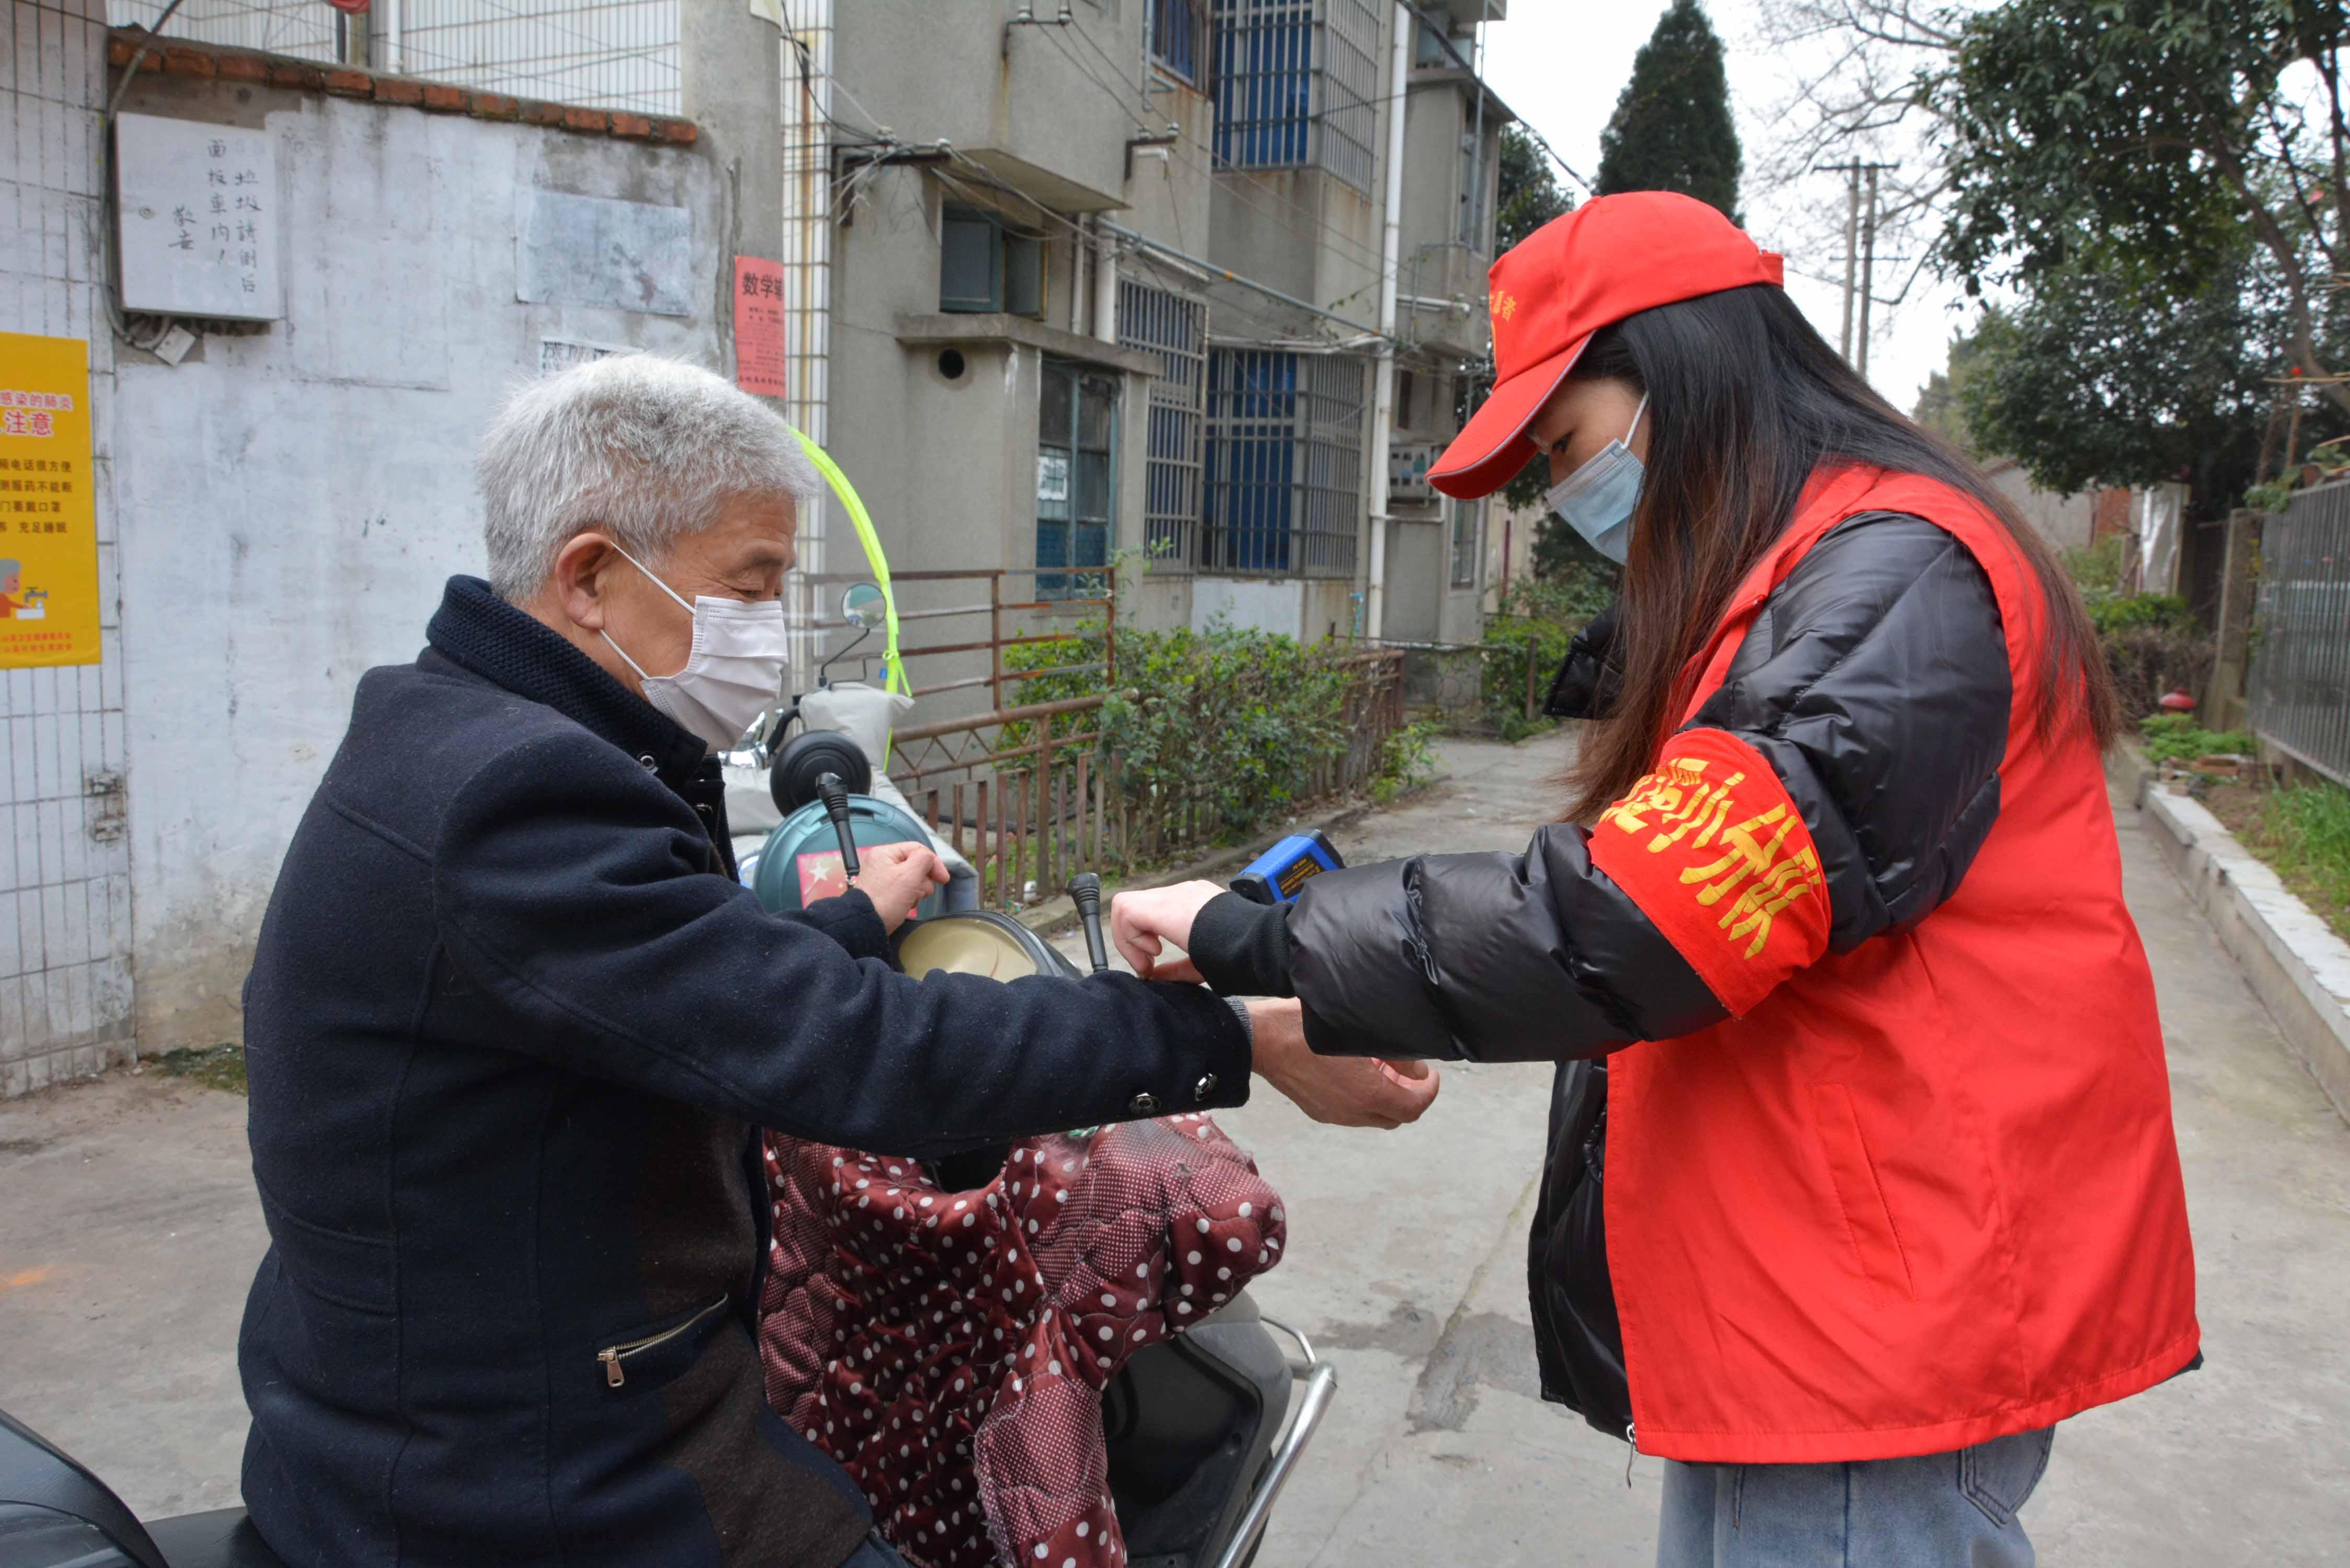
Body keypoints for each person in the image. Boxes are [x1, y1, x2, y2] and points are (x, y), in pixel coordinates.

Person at [1111, 192, 2198, 1568]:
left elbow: (1633, 918)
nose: (1571, 500)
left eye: (1568, 448)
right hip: (1832, 1296)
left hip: (1870, 1322)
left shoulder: (1893, 579)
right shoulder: (1809, 576)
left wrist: (1261, 937)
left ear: (1684, 373)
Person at [235, 354, 1437, 1568]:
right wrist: (1236, 1037)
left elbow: (651, 991)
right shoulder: (521, 796)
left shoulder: (463, 730)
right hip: (530, 1479)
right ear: (592, 576)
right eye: (748, 585)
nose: (768, 630)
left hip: (473, 1402)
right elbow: (858, 1049)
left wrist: (853, 922)